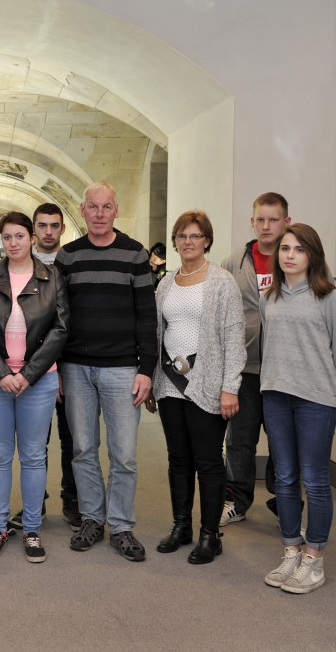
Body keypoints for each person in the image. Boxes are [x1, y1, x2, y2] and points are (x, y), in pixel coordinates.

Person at [54, 181, 157, 562]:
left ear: (116, 210)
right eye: (93, 207)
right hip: (76, 368)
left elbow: (148, 317)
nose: (99, 214)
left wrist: (146, 369)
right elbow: (57, 318)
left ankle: (122, 525)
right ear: (82, 211)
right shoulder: (67, 257)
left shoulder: (134, 255)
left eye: (107, 207)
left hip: (122, 369)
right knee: (82, 449)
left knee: (124, 455)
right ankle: (92, 519)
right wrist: (58, 369)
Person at [260, 223, 336, 594]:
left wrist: (331, 394)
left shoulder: (330, 298)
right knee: (284, 478)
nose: (289, 255)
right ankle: (291, 551)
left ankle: (314, 558)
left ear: (312, 255)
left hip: (316, 401)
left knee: (315, 480)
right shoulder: (269, 298)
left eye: (298, 249)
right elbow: (268, 349)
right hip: (275, 397)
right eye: (285, 248)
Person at [146, 211, 246, 564]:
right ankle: (181, 526)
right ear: (174, 241)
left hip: (207, 382)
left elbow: (235, 337)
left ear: (207, 241)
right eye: (182, 236)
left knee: (208, 460)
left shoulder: (221, 282)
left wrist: (231, 386)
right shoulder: (166, 284)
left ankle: (210, 535)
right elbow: (159, 334)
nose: (188, 242)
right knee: (178, 458)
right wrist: (154, 380)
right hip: (171, 383)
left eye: (195, 236)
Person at [0, 212, 68, 562]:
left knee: (32, 455)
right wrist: (1, 373)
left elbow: (60, 329)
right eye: (7, 237)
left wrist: (28, 374)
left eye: (19, 236)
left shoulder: (51, 275)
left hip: (38, 382)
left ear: (31, 238)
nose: (13, 243)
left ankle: (31, 531)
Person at [219, 192, 291, 526]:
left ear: (286, 222)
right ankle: (237, 500)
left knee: (283, 442)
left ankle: (285, 503)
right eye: (260, 219)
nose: (266, 226)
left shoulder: (297, 260)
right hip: (245, 370)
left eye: (273, 219)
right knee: (239, 441)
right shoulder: (235, 263)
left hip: (285, 371)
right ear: (252, 222)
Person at [31, 202, 80, 530]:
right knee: (35, 440)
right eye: (42, 225)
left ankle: (71, 498)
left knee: (71, 436)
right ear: (34, 229)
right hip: (31, 367)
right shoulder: (22, 262)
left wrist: (61, 369)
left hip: (67, 364)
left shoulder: (71, 262)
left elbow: (69, 321)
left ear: (62, 228)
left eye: (54, 226)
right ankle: (36, 502)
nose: (48, 231)